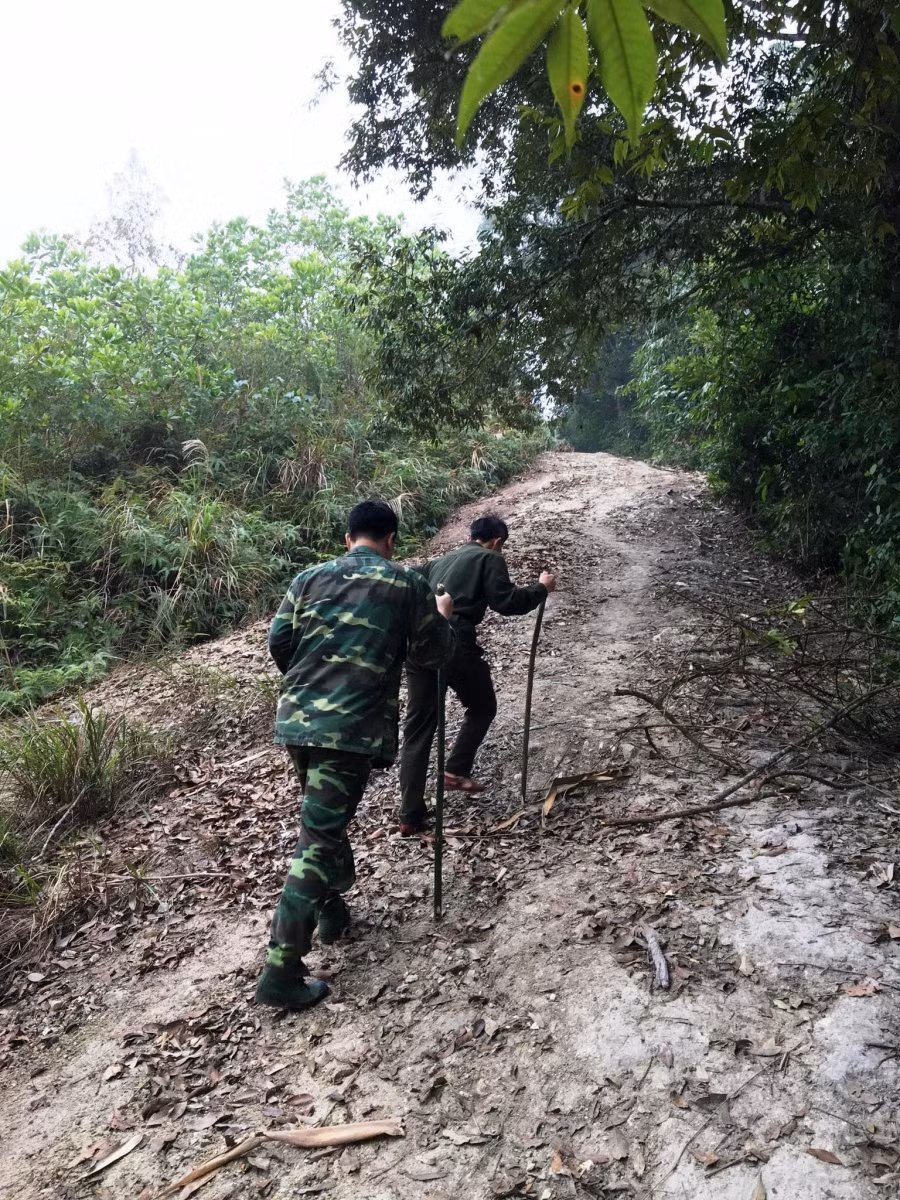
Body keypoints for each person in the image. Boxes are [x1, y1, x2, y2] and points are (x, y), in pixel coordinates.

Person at [255, 499, 455, 1011]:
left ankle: (331, 911)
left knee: (324, 822)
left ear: (348, 538)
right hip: (349, 728)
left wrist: (310, 687)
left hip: (298, 721)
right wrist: (442, 618)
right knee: (318, 840)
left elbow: (280, 643)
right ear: (391, 540)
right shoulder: (407, 583)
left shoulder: (306, 578)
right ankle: (280, 970)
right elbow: (433, 656)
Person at [398, 514, 556, 834]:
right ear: (497, 541)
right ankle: (455, 771)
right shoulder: (489, 558)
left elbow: (410, 580)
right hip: (454, 643)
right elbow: (507, 601)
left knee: (418, 726)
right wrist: (541, 588)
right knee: (482, 707)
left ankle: (409, 815)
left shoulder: (442, 560)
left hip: (417, 646)